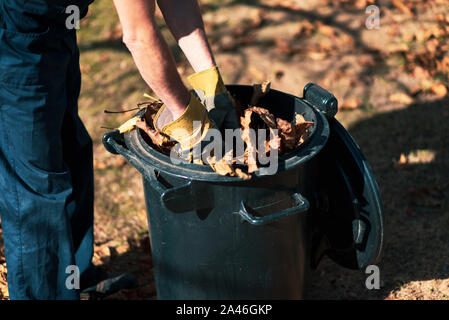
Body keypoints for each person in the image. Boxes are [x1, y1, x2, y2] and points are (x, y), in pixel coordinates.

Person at [0, 0, 235, 299]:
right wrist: (184, 114)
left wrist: (208, 77)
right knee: (37, 183)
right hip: (13, 33)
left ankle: (71, 280)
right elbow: (138, 35)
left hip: (55, 22)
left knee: (70, 148)